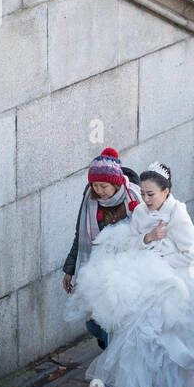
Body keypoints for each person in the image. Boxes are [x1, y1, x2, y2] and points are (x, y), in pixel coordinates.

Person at [66, 163, 194, 387]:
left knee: (167, 341)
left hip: (170, 285)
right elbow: (131, 243)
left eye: (152, 194)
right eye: (144, 194)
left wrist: (162, 255)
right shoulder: (139, 212)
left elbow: (191, 255)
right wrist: (148, 239)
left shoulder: (178, 215)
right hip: (142, 280)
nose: (146, 199)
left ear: (166, 192)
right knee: (140, 342)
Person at [62, 148, 141, 353]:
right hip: (97, 268)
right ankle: (108, 347)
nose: (99, 190)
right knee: (93, 322)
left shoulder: (133, 198)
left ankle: (114, 359)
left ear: (115, 183)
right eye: (95, 185)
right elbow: (80, 236)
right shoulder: (89, 199)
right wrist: (70, 269)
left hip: (126, 268)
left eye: (103, 185)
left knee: (117, 319)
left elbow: (144, 233)